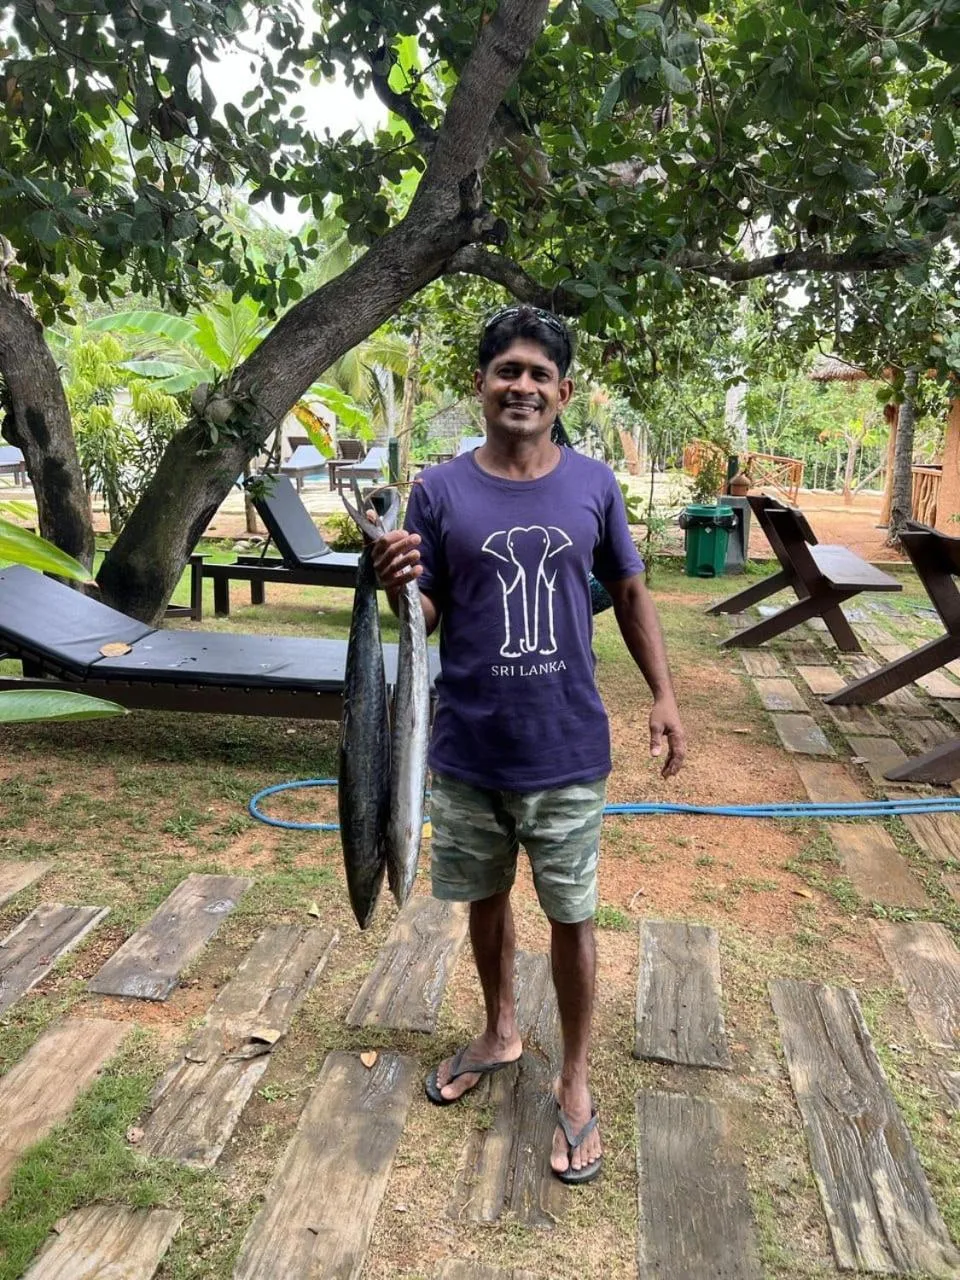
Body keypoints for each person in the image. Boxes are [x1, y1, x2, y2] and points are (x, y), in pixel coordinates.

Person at [370, 305, 685, 1185]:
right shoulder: (437, 492)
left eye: (540, 374)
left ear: (563, 392)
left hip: (565, 748)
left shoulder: (593, 484)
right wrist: (388, 579)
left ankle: (577, 1078)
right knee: (483, 898)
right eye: (508, 370)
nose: (523, 386)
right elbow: (426, 614)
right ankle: (501, 1029)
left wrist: (664, 696)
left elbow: (629, 590)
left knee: (571, 913)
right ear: (480, 383)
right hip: (467, 745)